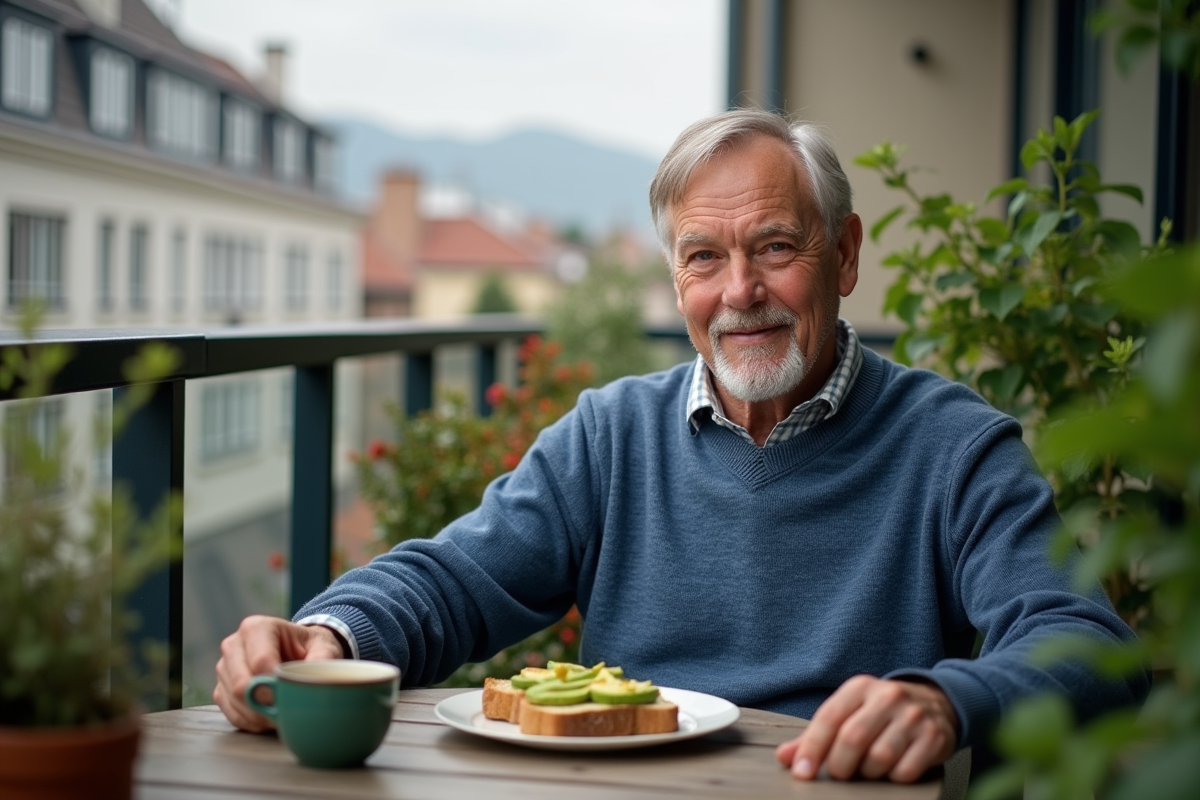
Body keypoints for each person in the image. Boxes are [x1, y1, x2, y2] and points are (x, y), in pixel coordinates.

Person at [214, 109, 1148, 783]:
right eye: (704, 257)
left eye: (776, 247)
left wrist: (947, 701)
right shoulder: (611, 434)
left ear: (846, 254)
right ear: (675, 279)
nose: (739, 291)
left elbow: (1086, 642)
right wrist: (328, 634)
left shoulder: (956, 447)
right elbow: (454, 579)